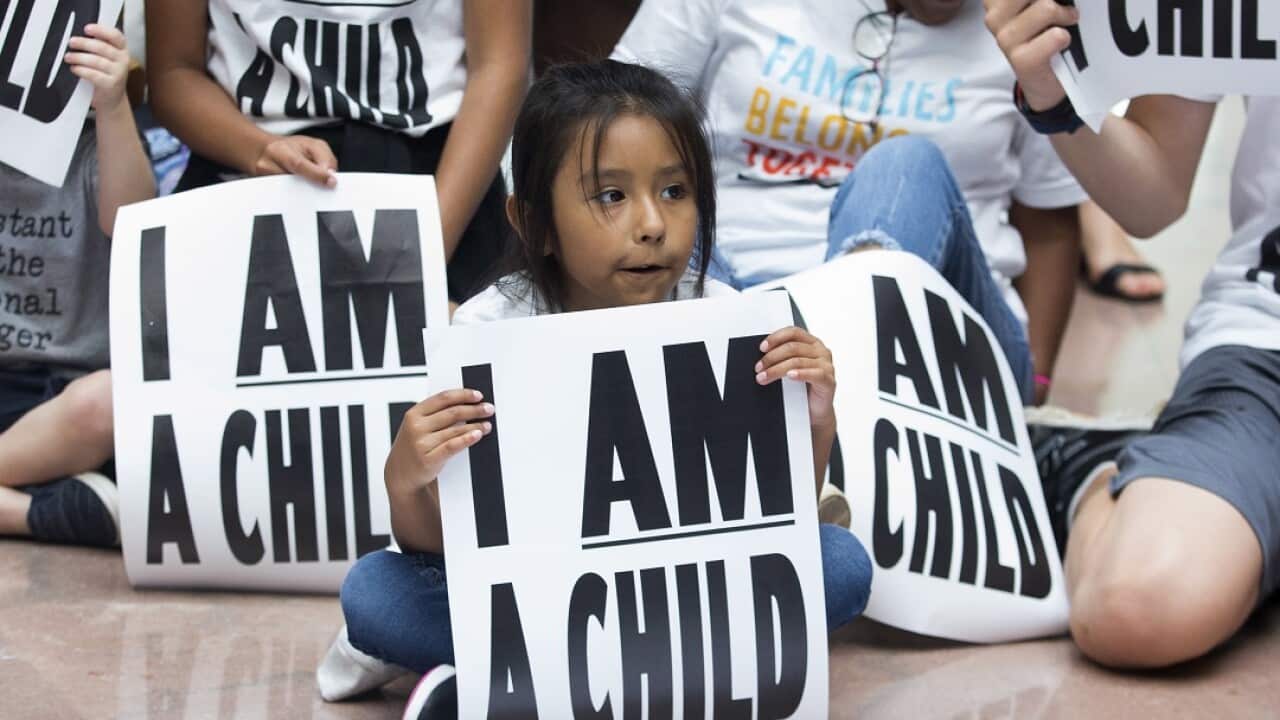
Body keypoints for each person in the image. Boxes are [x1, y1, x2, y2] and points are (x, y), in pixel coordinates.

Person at [315, 60, 874, 718]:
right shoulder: (488, 331)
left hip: (672, 601)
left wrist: (814, 422)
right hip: (541, 606)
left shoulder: (725, 318)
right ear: (533, 222)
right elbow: (439, 548)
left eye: (674, 191)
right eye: (610, 196)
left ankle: (514, 680)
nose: (651, 224)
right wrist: (406, 476)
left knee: (840, 563)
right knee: (378, 594)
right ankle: (649, 671)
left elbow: (771, 531)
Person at [986, 0, 1280, 668]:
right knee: (1135, 607)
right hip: (1268, 346)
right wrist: (1057, 95)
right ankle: (1090, 470)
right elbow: (1153, 196)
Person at [611, 0, 1088, 405]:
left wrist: (1036, 387)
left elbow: (1051, 217)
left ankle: (828, 419)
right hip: (739, 305)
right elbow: (605, 123)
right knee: (669, 213)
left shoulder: (1031, 25)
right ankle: (794, 429)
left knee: (904, 165)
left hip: (939, 343)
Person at [146, 0, 530, 304]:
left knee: (469, 393)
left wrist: (427, 247)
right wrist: (258, 149)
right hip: (253, 172)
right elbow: (173, 73)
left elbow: (500, 65)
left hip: (441, 183)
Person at [0, 24, 156, 547]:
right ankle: (33, 512)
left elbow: (133, 221)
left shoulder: (94, 148)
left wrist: (112, 108)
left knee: (109, 399)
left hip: (71, 397)